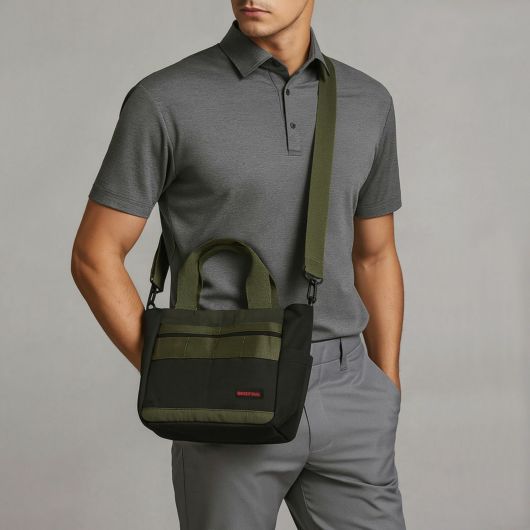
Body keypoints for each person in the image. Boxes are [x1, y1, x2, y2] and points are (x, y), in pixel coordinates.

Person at [71, 1, 407, 528]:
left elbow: (375, 254)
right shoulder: (165, 99)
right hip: (231, 386)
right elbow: (94, 254)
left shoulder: (369, 101)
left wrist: (385, 386)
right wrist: (181, 375)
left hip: (348, 391)